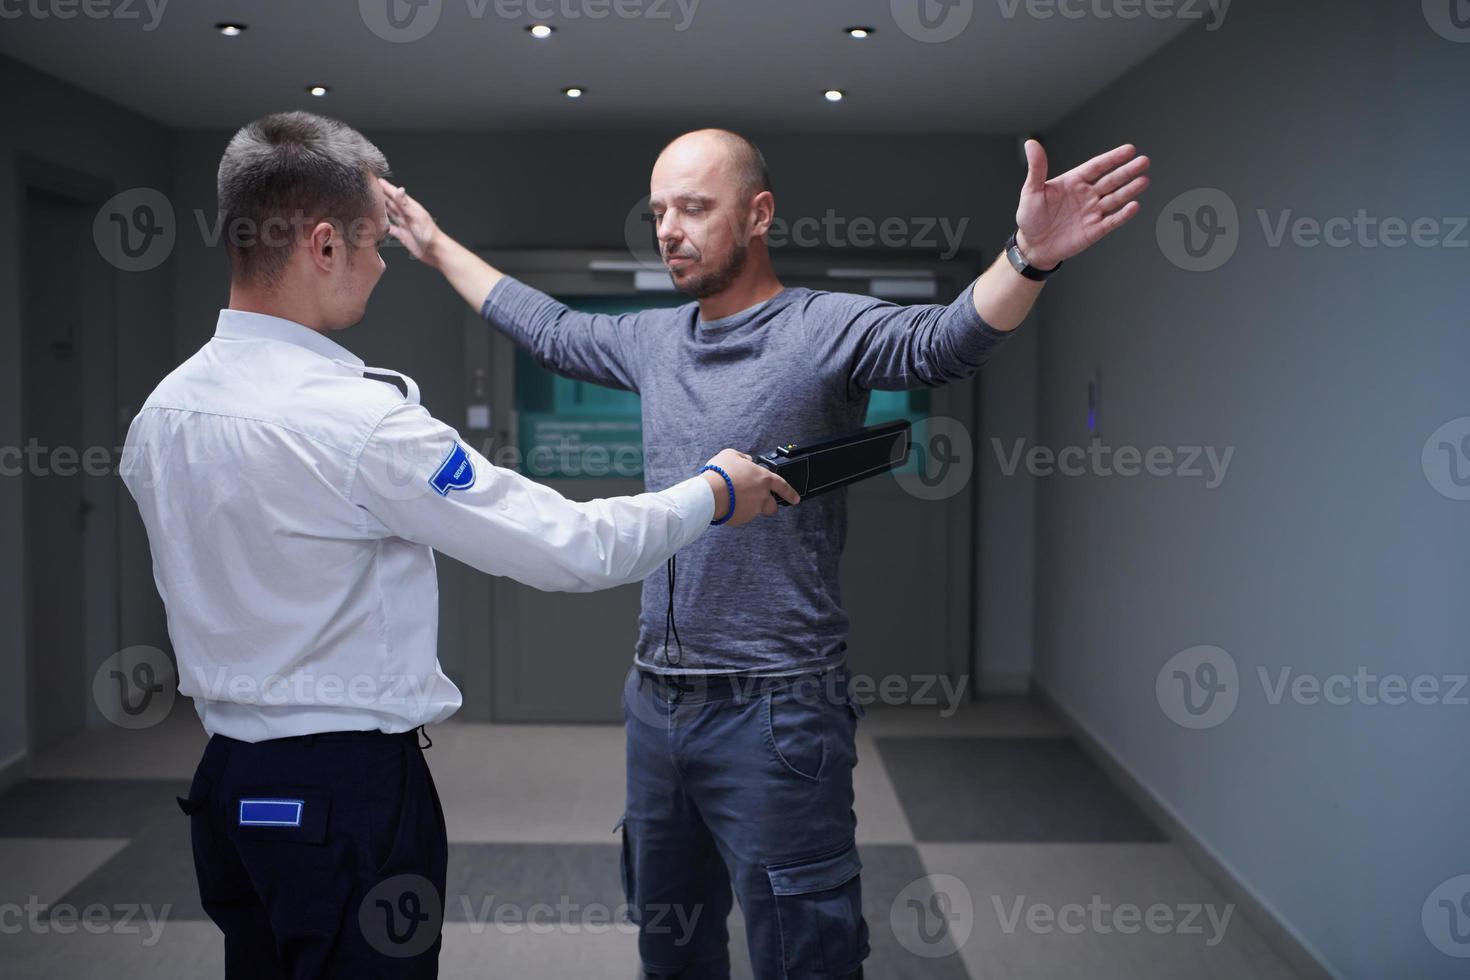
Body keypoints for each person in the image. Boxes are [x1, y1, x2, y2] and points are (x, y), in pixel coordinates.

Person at [383, 127, 1149, 978]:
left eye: (695, 208)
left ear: (758, 215)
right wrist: (433, 243)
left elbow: (945, 342)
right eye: (660, 210)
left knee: (802, 955)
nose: (670, 228)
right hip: (657, 701)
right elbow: (550, 328)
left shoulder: (825, 326)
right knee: (671, 944)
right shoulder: (655, 341)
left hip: (778, 707)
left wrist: (1028, 258)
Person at [118, 112, 796, 979]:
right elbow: (572, 547)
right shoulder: (364, 424)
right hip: (345, 796)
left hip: (227, 790)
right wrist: (712, 493)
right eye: (371, 243)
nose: (379, 264)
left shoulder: (163, 412)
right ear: (323, 245)